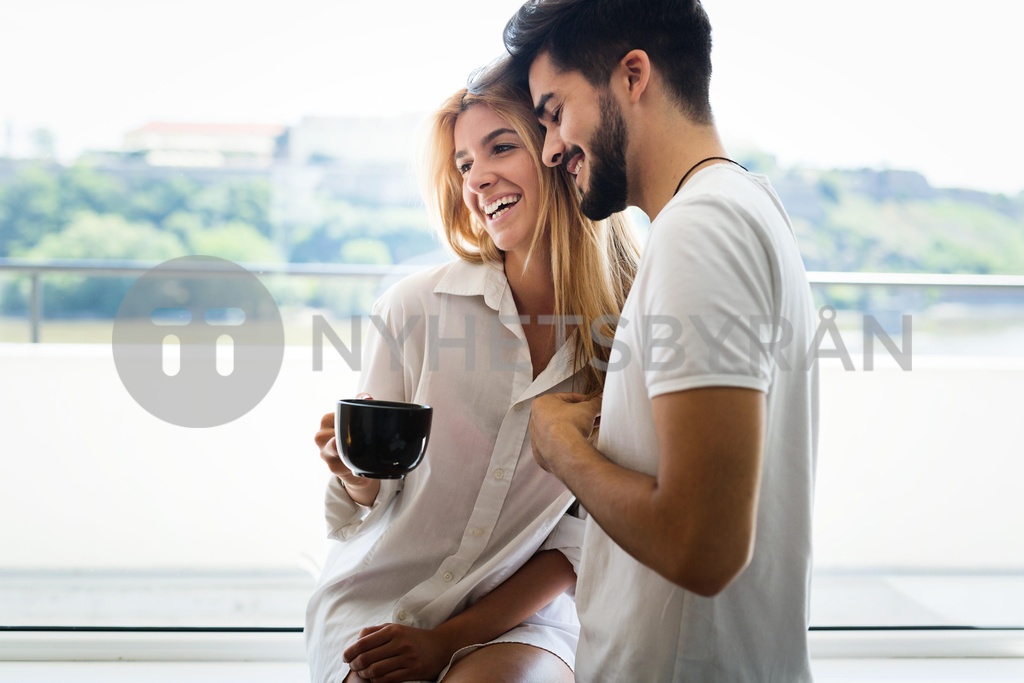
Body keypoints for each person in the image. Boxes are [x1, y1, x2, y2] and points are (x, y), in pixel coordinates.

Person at [497, 1, 820, 681]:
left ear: (633, 75)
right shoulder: (742, 208)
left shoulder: (699, 231)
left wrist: (561, 449)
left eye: (555, 111)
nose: (551, 147)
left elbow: (703, 547)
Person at [304, 74, 641, 683]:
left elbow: (578, 543)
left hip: (519, 614)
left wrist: (446, 642)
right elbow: (367, 504)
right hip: (381, 595)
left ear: (562, 153)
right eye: (463, 163)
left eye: (500, 147)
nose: (476, 178)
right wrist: (352, 473)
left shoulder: (628, 335)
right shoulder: (413, 307)